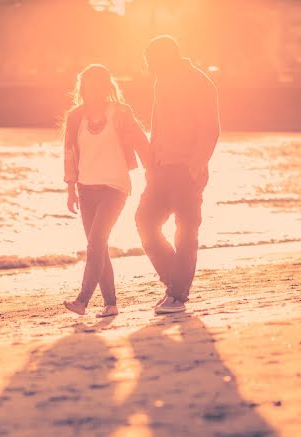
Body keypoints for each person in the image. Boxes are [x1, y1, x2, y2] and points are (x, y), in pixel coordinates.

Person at [136, 35, 220, 315]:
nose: (150, 69)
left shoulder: (200, 82)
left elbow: (210, 129)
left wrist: (194, 168)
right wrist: (151, 164)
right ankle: (174, 284)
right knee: (145, 221)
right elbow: (156, 126)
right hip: (161, 170)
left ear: (167, 58)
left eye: (153, 63)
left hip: (186, 170)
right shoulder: (162, 81)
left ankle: (177, 294)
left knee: (186, 231)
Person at [62, 64, 149, 317]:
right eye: (89, 85)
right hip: (86, 188)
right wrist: (70, 189)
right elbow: (69, 154)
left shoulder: (120, 113)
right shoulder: (76, 117)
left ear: (107, 87)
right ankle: (111, 304)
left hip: (115, 186)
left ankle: (82, 300)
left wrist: (153, 172)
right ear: (83, 88)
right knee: (97, 245)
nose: (93, 91)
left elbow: (141, 142)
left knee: (96, 241)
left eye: (99, 85)